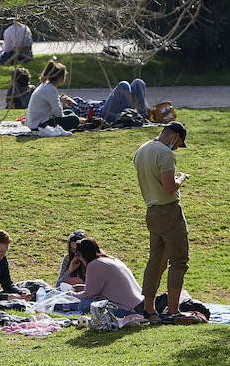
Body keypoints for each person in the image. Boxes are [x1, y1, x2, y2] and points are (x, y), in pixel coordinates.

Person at [134, 122, 191, 321]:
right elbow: (169, 188)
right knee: (178, 261)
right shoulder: (165, 154)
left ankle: (149, 310)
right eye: (178, 144)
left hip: (152, 211)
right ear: (174, 136)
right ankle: (173, 311)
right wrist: (181, 178)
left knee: (156, 261)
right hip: (169, 212)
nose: (176, 149)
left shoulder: (142, 150)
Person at [52, 238, 144, 315]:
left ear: (82, 254)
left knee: (84, 305)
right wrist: (84, 288)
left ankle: (57, 306)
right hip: (140, 304)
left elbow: (88, 295)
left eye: (78, 255)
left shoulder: (94, 265)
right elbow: (102, 288)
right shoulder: (110, 259)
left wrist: (69, 293)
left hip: (128, 309)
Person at [26, 59, 81, 131]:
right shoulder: (51, 89)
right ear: (59, 78)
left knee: (69, 112)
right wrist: (63, 118)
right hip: (40, 124)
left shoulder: (45, 85)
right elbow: (57, 109)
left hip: (36, 121)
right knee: (74, 119)